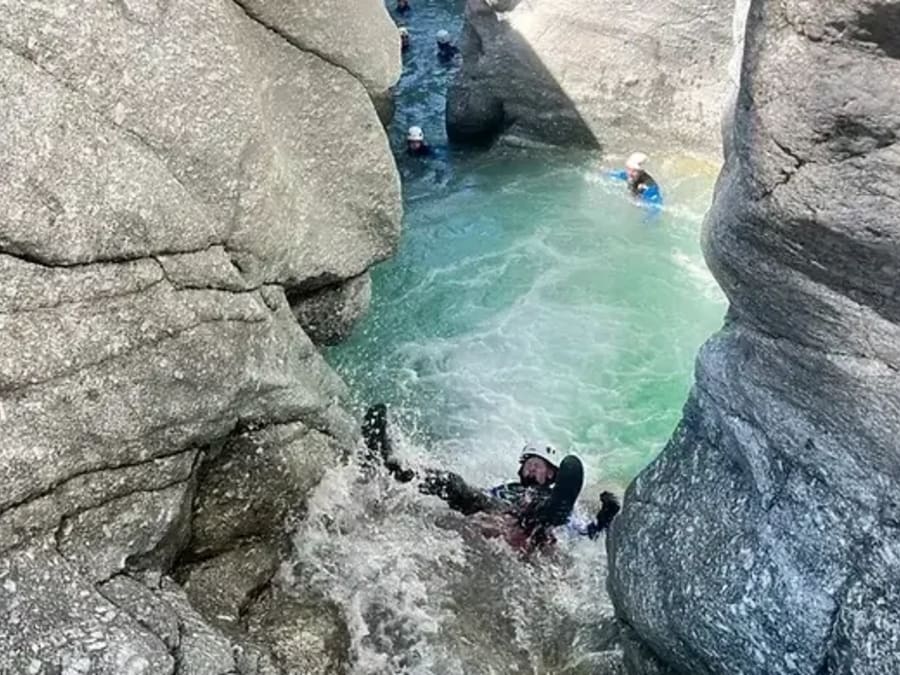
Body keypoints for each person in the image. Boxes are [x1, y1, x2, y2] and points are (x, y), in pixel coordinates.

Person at [362, 405, 621, 553]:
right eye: (528, 465)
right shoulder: (506, 488)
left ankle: (545, 517)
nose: (530, 471)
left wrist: (605, 517)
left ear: (552, 474)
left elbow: (583, 534)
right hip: (501, 511)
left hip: (538, 521)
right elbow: (484, 499)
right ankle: (394, 464)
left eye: (537, 466)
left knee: (545, 515)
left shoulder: (552, 496)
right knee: (455, 484)